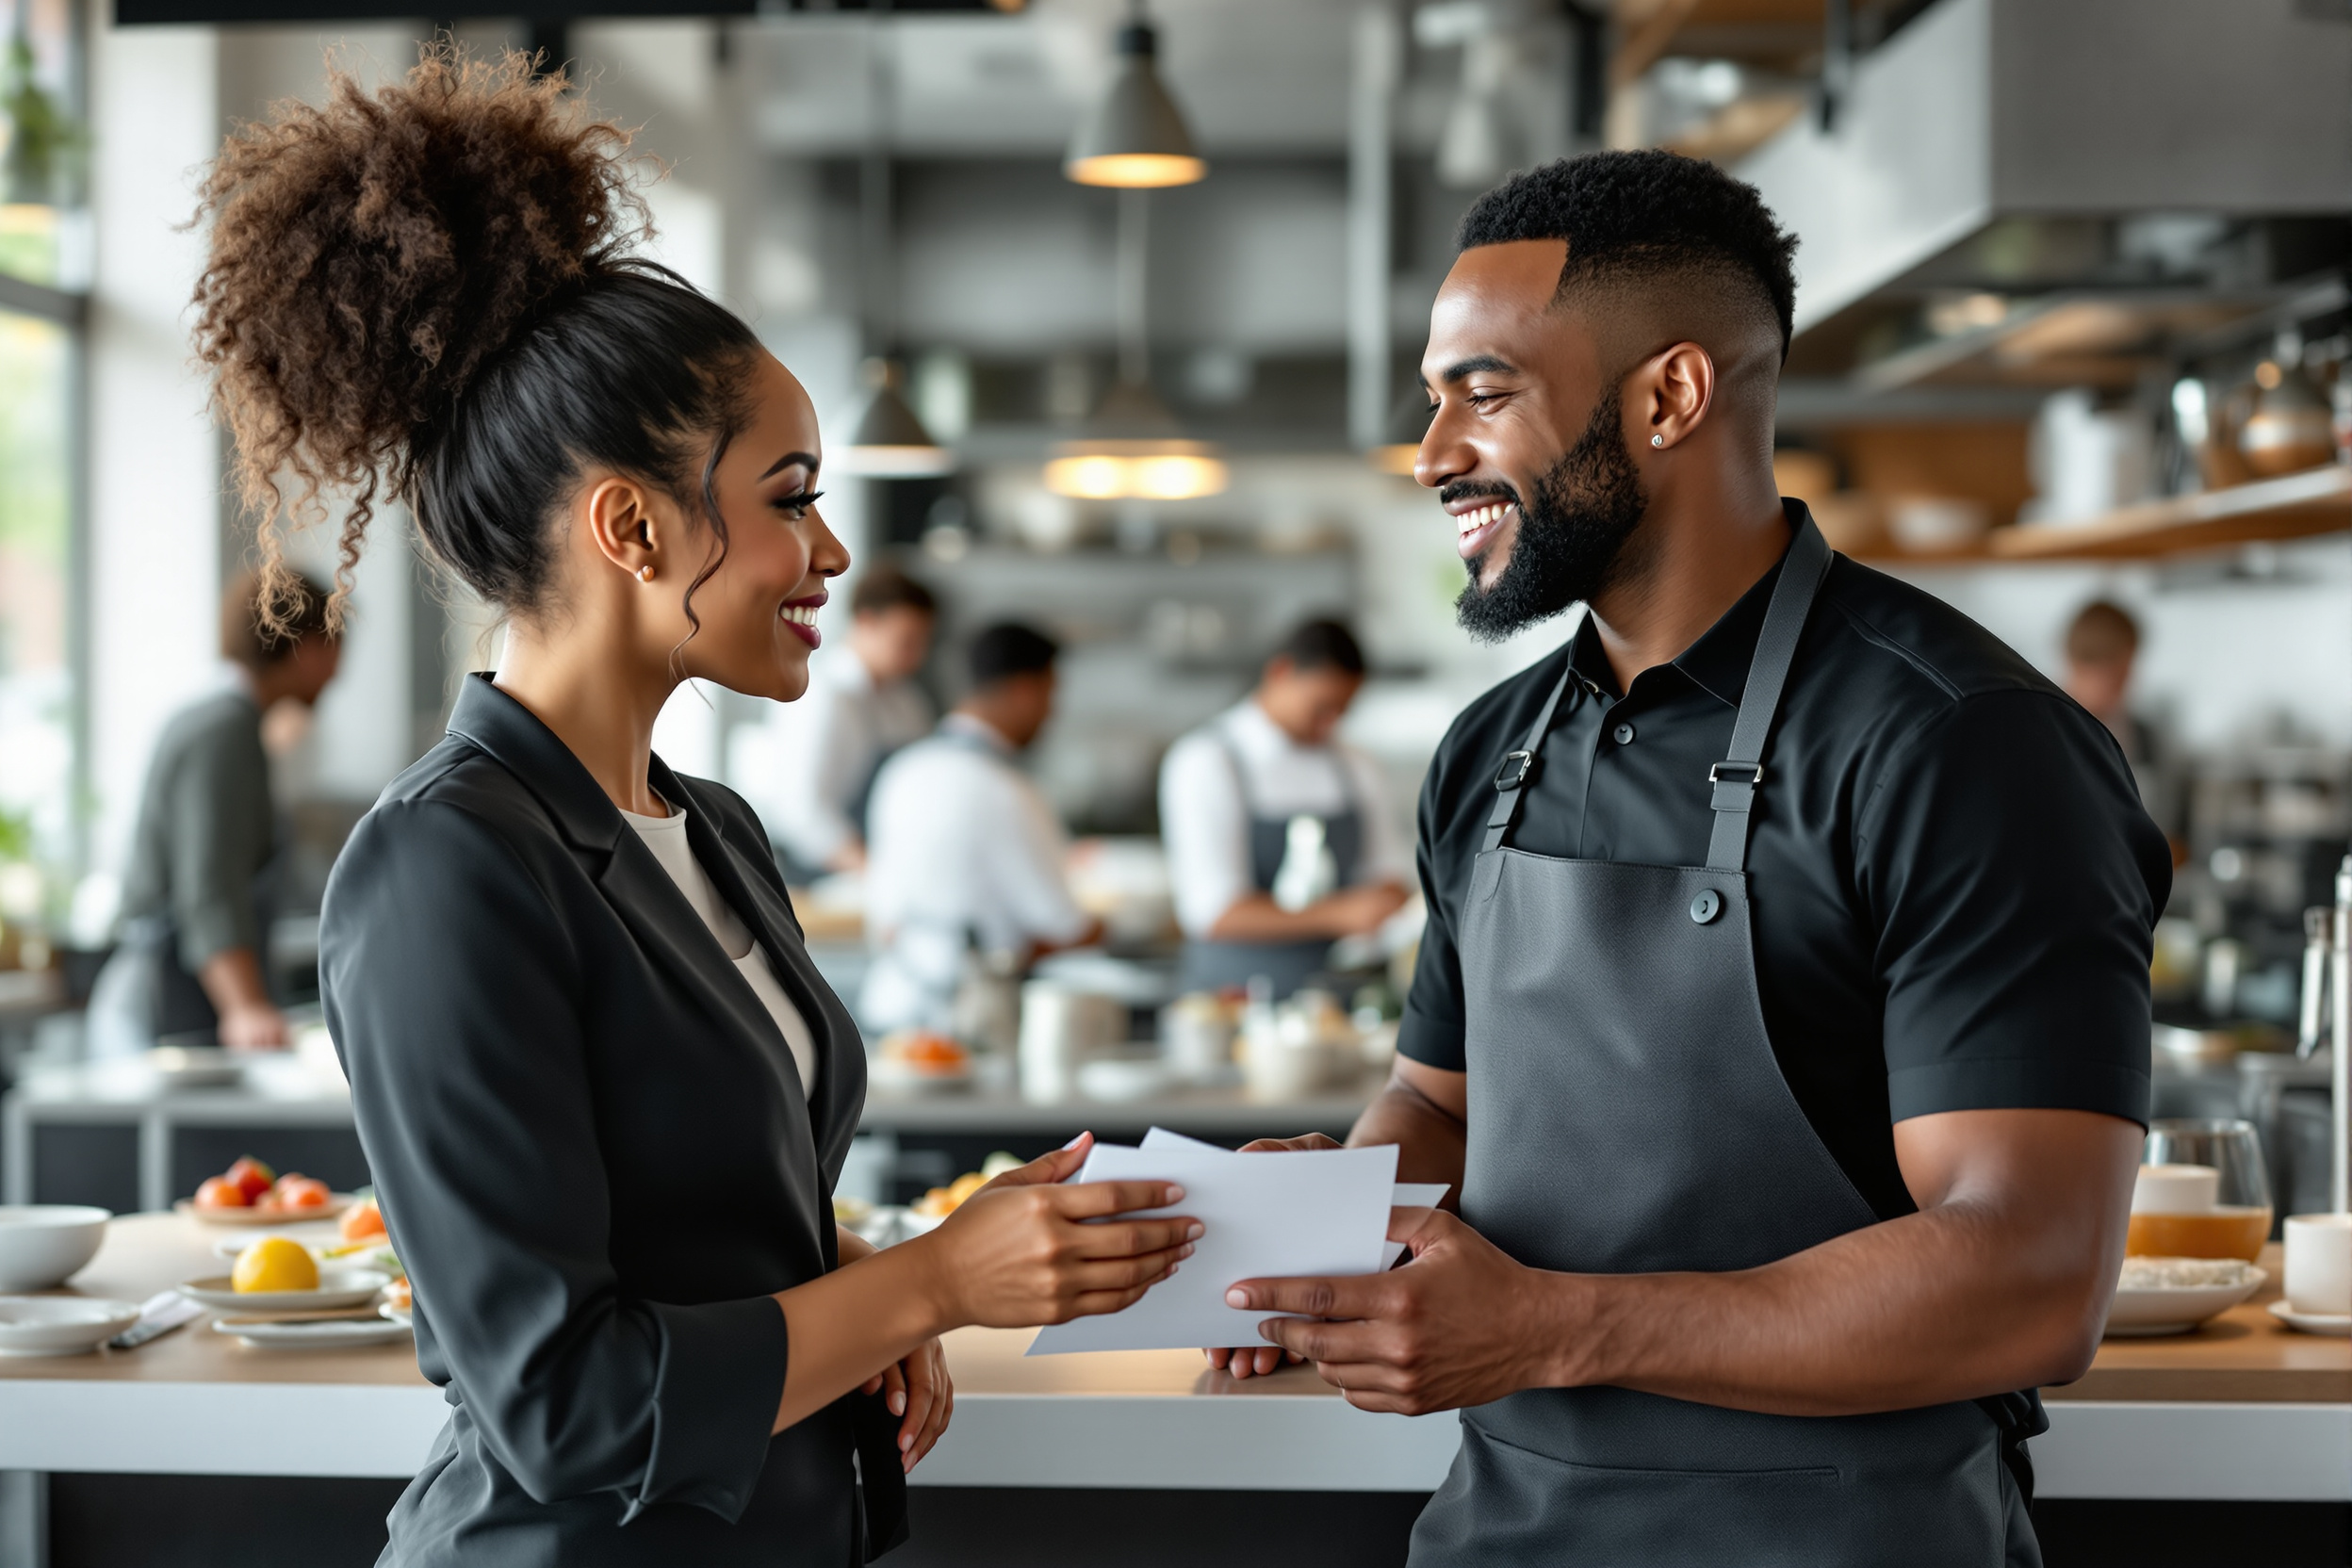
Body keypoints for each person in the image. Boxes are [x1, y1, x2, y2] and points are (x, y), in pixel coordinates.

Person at [192, 51, 1196, 1566]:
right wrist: (930, 1285)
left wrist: (863, 1287)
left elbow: (697, 1204)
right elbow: (565, 1403)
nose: (833, 552)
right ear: (632, 526)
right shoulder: (445, 864)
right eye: (791, 496)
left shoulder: (713, 829)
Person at [1211, 151, 2168, 1566]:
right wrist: (1331, 1225)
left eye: (1484, 392)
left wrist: (1551, 1326)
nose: (1433, 454)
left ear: (1669, 397)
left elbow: (2030, 1276)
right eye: (1433, 399)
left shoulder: (1963, 746)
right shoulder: (1491, 753)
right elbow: (1438, 1101)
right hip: (1505, 1533)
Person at [90, 570, 342, 1054]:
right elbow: (209, 885)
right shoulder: (226, 731)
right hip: (166, 1000)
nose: (337, 672)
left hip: (171, 989)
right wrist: (245, 1006)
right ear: (309, 647)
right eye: (335, 647)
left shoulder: (223, 722)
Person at [860, 621, 1101, 1034]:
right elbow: (1063, 925)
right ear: (1024, 689)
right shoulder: (1007, 789)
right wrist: (1123, 928)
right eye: (1050, 694)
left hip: (890, 1003)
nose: (1052, 713)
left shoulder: (903, 769)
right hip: (969, 1020)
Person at [1158, 618, 1411, 997]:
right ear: (1280, 672)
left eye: (1341, 711)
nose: (1329, 724)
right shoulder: (1206, 761)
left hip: (1341, 998)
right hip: (1235, 998)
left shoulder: (1358, 767)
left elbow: (1389, 875)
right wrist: (1341, 914)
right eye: (1321, 707)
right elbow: (1213, 912)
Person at [743, 563, 937, 882]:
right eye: (906, 641)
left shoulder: (907, 702)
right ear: (866, 622)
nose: (917, 656)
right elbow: (802, 812)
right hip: (818, 876)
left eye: (922, 642)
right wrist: (876, 873)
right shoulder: (820, 696)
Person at [2064, 598, 2180, 841]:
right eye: (2118, 671)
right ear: (2080, 665)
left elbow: (2165, 828)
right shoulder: (2044, 733)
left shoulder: (2146, 739)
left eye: (2128, 668)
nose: (2128, 680)